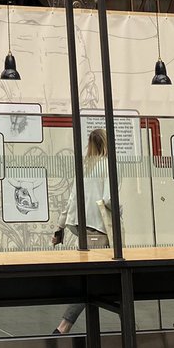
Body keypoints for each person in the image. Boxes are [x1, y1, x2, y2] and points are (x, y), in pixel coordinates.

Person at [52, 127, 113, 335]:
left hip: (79, 226)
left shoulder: (85, 166)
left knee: (92, 278)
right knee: (91, 281)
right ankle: (63, 327)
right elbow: (108, 199)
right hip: (97, 227)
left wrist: (59, 227)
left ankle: (72, 327)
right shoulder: (107, 165)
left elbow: (71, 200)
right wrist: (120, 212)